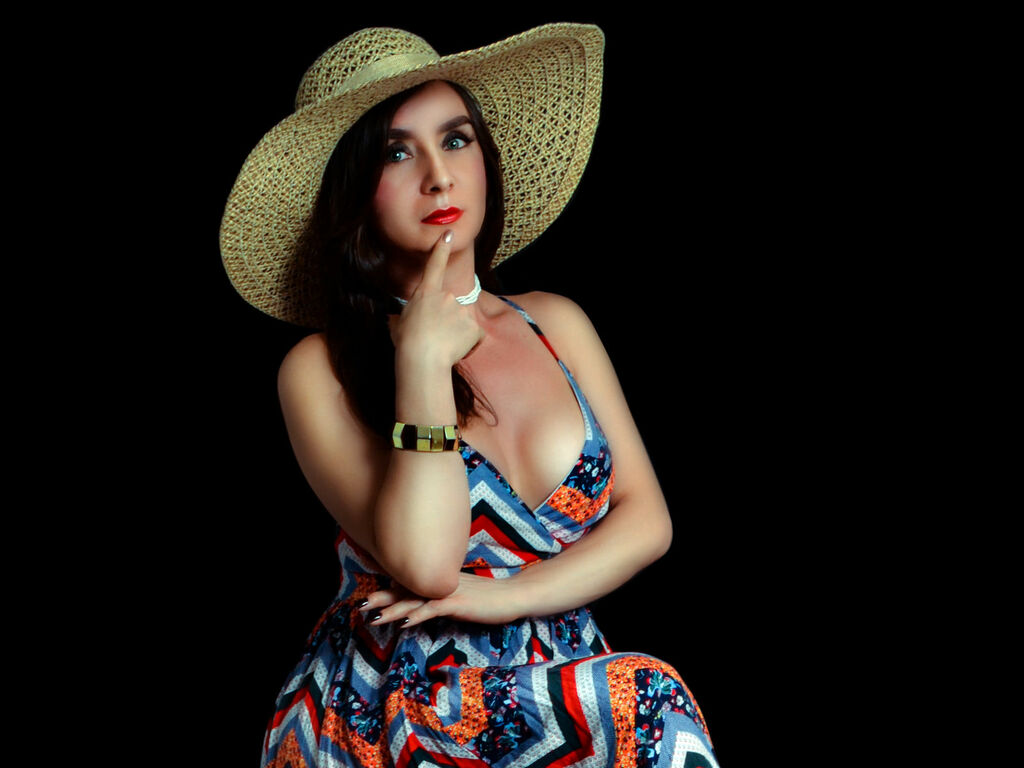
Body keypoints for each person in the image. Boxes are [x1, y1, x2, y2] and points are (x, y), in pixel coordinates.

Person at [221, 24, 718, 768]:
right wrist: (422, 359)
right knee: (649, 697)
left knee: (645, 699)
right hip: (397, 703)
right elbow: (426, 566)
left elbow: (647, 521)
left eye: (455, 141)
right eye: (396, 153)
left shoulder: (555, 322)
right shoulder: (317, 370)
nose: (439, 176)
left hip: (562, 680)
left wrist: (501, 598)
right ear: (352, 193)